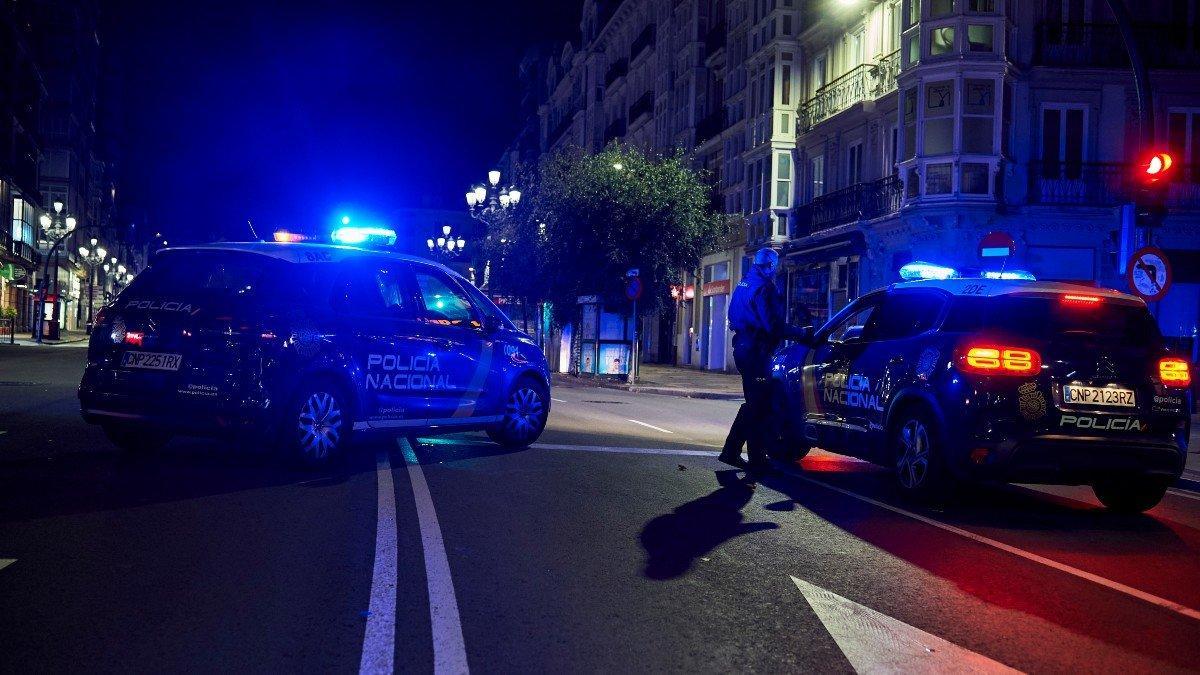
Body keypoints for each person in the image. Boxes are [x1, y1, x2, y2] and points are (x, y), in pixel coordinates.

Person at [721, 248, 807, 474]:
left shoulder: (744, 283)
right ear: (771, 265)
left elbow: (733, 316)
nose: (776, 270)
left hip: (743, 347)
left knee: (757, 403)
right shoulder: (765, 288)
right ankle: (735, 452)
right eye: (775, 265)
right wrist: (801, 333)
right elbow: (773, 326)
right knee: (758, 404)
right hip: (756, 351)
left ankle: (751, 455)